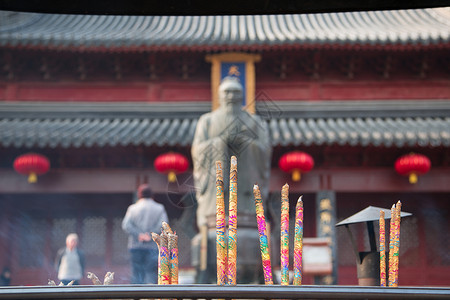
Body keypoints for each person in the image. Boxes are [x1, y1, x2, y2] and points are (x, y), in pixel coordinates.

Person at [191, 76, 272, 283]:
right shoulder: (207, 120)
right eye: (226, 92)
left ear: (242, 95)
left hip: (246, 194)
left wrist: (245, 143)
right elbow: (198, 151)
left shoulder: (255, 121)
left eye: (235, 92)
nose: (231, 96)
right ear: (219, 95)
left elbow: (264, 150)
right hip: (216, 201)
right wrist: (221, 143)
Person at [122, 184, 168, 284]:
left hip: (135, 246)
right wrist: (151, 235)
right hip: (152, 246)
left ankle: (136, 296)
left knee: (136, 274)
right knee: (151, 273)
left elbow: (126, 225)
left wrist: (139, 235)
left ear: (139, 195)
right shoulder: (159, 208)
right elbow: (164, 224)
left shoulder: (132, 208)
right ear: (152, 195)